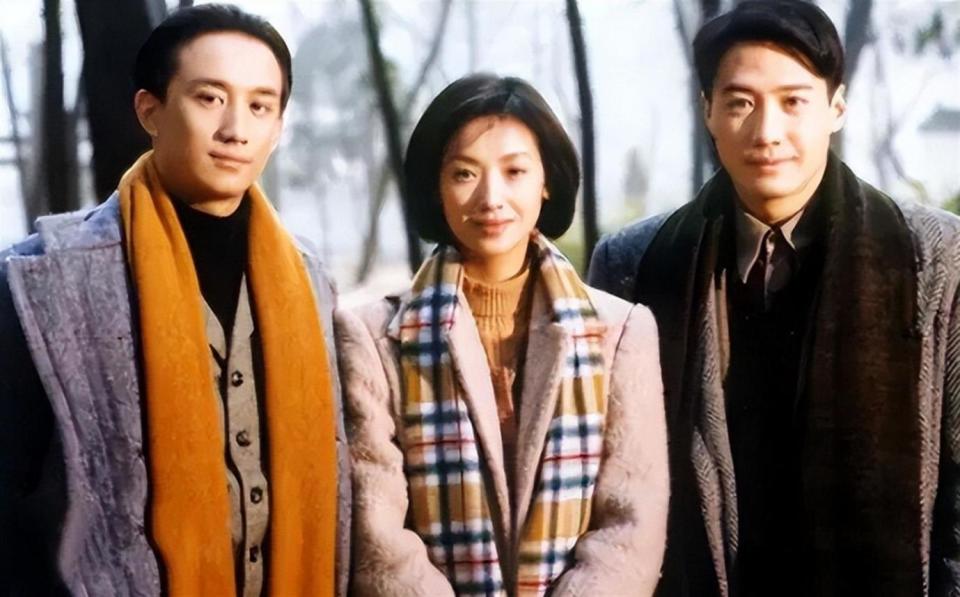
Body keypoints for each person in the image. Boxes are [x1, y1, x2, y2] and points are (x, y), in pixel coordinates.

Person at [588, 1, 960, 595]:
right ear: (707, 110)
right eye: (740, 103)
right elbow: (608, 491)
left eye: (793, 102)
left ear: (836, 108)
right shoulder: (633, 263)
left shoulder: (936, 257)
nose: (766, 133)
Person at [0, 5, 349, 596]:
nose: (235, 129)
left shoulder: (311, 283)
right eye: (210, 98)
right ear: (150, 111)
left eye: (260, 106)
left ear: (278, 127)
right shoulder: (43, 279)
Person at [335, 74, 669, 596]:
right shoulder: (373, 338)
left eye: (514, 171)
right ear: (436, 186)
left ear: (546, 180)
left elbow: (630, 524)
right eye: (464, 173)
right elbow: (379, 534)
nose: (491, 197)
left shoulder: (621, 330)